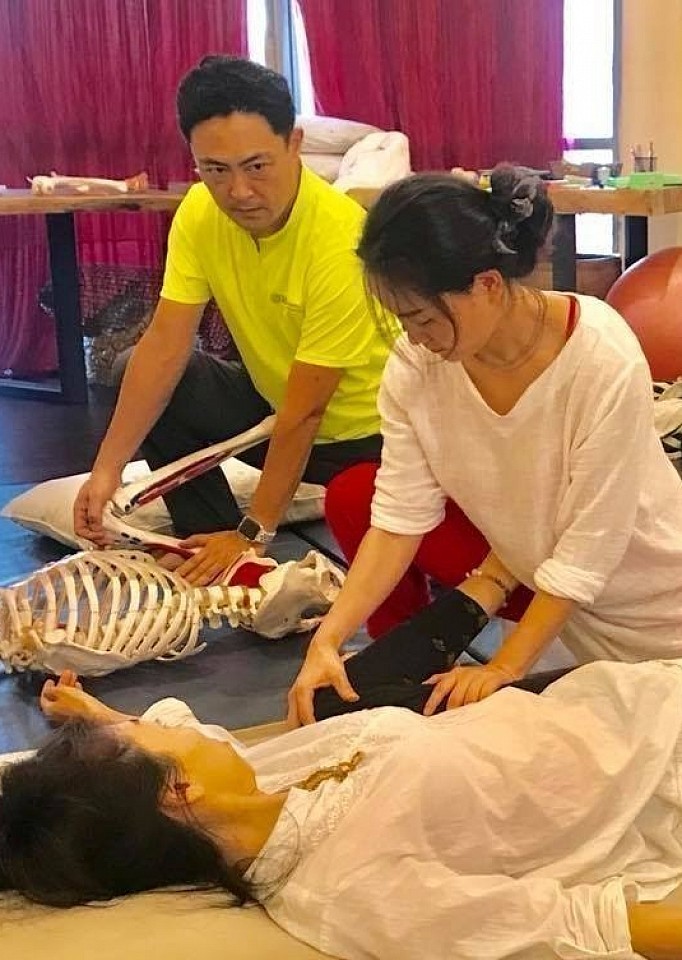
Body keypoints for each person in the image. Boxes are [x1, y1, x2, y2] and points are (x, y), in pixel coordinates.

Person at [287, 166, 682, 725]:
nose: (414, 338)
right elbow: (399, 517)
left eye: (423, 318)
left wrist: (502, 668)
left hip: (664, 615)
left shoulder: (600, 355)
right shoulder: (417, 368)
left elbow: (587, 549)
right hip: (578, 627)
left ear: (488, 284)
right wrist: (328, 639)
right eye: (402, 320)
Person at [3, 665, 682, 960]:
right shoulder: (356, 889)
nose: (154, 721)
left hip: (621, 697)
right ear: (180, 792)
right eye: (147, 734)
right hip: (659, 775)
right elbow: (579, 926)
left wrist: (94, 715)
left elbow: (186, 734)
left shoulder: (257, 787)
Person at [74, 56, 387, 585]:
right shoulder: (200, 212)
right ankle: (207, 548)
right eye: (216, 169)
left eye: (256, 166)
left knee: (340, 499)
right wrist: (106, 471)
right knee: (141, 366)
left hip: (363, 441)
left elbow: (307, 412)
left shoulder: (339, 239)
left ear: (294, 144)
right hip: (275, 408)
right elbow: (165, 346)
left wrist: (254, 532)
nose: (238, 191)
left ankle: (238, 546)